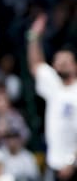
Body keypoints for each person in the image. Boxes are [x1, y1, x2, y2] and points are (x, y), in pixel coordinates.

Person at [27, 13, 77, 180]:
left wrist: (72, 162)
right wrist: (34, 35)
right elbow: (36, 65)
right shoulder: (54, 86)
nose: (61, 63)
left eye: (66, 60)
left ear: (75, 65)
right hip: (54, 164)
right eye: (58, 60)